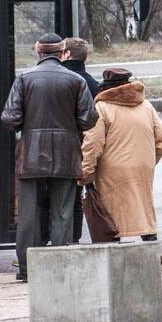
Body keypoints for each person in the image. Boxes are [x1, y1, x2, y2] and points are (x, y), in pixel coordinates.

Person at [2, 32, 97, 282]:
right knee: (63, 212)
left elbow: (10, 118)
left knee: (29, 214)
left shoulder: (24, 79)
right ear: (62, 51)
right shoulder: (76, 80)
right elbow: (89, 119)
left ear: (38, 52)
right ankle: (59, 268)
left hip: (31, 155)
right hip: (66, 155)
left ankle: (27, 270)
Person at [80, 68, 162, 241]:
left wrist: (86, 171)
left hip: (111, 169)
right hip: (143, 166)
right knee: (143, 207)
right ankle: (150, 247)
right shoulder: (146, 106)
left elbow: (93, 144)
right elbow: (161, 138)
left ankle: (112, 248)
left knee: (111, 211)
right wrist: (149, 161)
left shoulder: (101, 108)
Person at [60, 37, 100, 243]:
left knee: (62, 197)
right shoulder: (94, 84)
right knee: (79, 198)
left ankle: (61, 240)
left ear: (66, 54)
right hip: (88, 147)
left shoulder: (62, 80)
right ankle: (75, 240)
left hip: (65, 147)